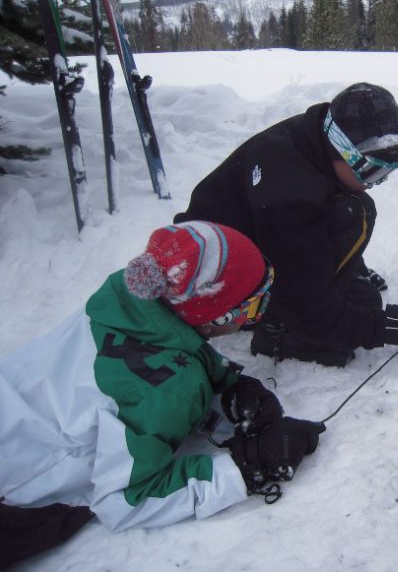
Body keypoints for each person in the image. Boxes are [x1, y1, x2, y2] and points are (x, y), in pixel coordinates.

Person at [0, 221, 324, 567]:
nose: (256, 317)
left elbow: (160, 347)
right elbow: (126, 501)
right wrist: (246, 466)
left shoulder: (128, 300)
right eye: (253, 307)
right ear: (215, 316)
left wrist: (226, 387)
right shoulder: (167, 390)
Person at [174, 82, 398, 367]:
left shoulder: (317, 133)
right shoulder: (290, 199)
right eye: (371, 170)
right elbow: (312, 312)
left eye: (387, 170)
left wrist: (351, 268)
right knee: (332, 336)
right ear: (341, 151)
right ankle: (276, 329)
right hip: (209, 283)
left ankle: (296, 298)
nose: (377, 181)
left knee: (363, 292)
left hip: (258, 240)